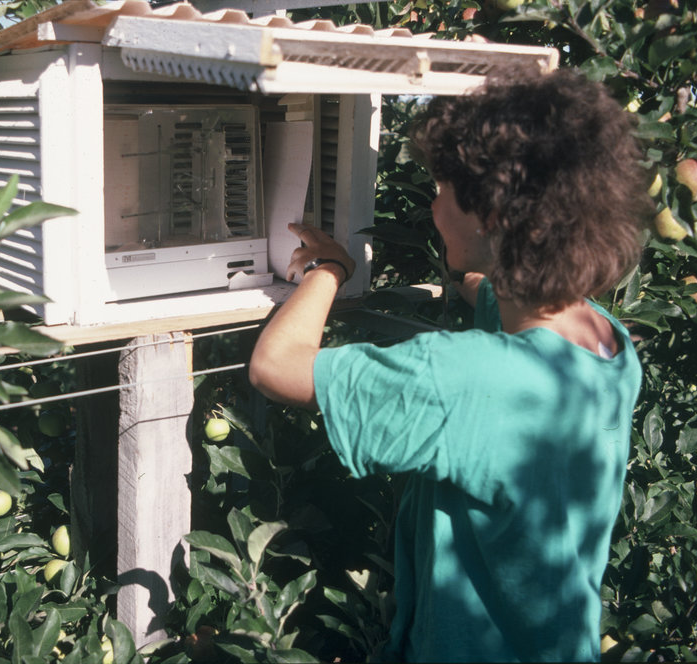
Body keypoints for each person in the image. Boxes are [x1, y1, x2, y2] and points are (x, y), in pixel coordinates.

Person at [248, 65, 653, 662]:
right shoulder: (604, 341)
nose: (434, 207)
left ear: (492, 215)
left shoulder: (461, 379)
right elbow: (487, 290)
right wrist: (477, 280)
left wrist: (328, 270)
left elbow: (276, 366)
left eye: (442, 189)